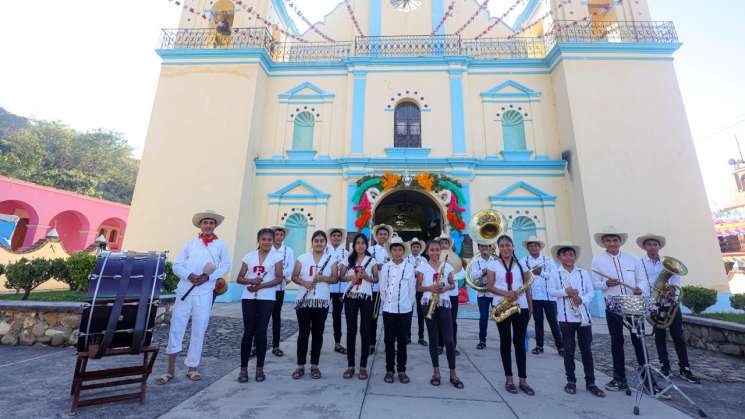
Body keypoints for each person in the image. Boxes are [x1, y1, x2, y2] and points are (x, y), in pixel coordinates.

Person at [157, 210, 230, 384]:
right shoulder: (190, 244)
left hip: (204, 292)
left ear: (215, 226)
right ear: (200, 225)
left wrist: (208, 277)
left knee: (199, 329)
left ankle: (192, 367)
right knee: (177, 327)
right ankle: (170, 369)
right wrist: (189, 275)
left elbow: (225, 265)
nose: (208, 225)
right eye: (205, 222)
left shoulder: (220, 245)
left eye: (211, 223)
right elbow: (177, 265)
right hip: (185, 291)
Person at [590, 226, 651, 393]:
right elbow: (595, 282)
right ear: (603, 243)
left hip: (633, 302)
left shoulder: (633, 259)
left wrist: (640, 288)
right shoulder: (597, 261)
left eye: (615, 240)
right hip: (613, 303)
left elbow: (643, 280)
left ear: (620, 242)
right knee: (617, 341)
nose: (612, 243)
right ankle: (619, 378)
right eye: (608, 240)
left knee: (639, 340)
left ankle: (648, 377)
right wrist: (605, 284)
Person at [636, 233, 700, 384]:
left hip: (670, 304)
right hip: (653, 302)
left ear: (659, 247)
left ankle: (685, 368)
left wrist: (672, 291)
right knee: (659, 336)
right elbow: (641, 281)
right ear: (645, 247)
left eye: (655, 244)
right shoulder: (640, 263)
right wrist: (652, 294)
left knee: (678, 336)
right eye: (649, 244)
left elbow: (676, 278)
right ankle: (665, 366)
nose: (652, 246)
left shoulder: (668, 262)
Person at [548, 241, 605, 398]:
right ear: (559, 257)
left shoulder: (582, 273)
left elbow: (591, 291)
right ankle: (571, 381)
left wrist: (583, 299)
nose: (568, 257)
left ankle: (591, 382)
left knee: (586, 350)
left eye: (571, 254)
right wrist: (565, 292)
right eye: (565, 254)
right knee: (569, 350)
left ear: (574, 256)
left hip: (583, 316)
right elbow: (551, 291)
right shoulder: (555, 273)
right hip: (565, 317)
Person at [486, 235, 535, 396]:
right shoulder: (493, 264)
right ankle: (509, 379)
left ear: (513, 247)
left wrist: (530, 307)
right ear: (498, 248)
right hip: (502, 306)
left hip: (521, 307)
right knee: (505, 342)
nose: (505, 248)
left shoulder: (522, 264)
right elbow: (490, 286)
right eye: (502, 246)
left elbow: (527, 287)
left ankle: (523, 380)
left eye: (508, 245)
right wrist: (506, 293)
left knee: (520, 343)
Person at [236, 228, 284, 383]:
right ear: (259, 240)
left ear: (273, 240)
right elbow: (239, 278)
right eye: (263, 239)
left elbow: (278, 278)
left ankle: (259, 369)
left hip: (267, 298)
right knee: (248, 331)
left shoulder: (277, 257)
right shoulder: (249, 256)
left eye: (269, 239)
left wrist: (260, 286)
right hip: (248, 297)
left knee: (262, 332)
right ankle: (243, 369)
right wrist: (251, 281)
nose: (267, 242)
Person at [416, 239, 464, 389]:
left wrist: (445, 288)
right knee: (433, 339)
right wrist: (430, 288)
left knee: (449, 340)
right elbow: (418, 288)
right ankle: (436, 372)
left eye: (437, 250)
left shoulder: (447, 266)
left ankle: (453, 373)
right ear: (427, 252)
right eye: (432, 250)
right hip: (428, 303)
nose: (435, 253)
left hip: (443, 303)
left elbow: (452, 284)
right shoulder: (422, 267)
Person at [291, 230, 337, 380]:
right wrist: (305, 283)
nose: (319, 243)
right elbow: (294, 276)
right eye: (316, 240)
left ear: (325, 243)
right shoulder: (302, 258)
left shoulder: (331, 259)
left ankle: (315, 366)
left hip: (321, 301)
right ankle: (300, 365)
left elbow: (335, 278)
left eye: (321, 241)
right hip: (304, 301)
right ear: (312, 242)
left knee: (318, 334)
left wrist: (322, 278)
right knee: (303, 333)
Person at [380, 236, 416, 384]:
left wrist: (408, 305)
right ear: (390, 251)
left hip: (405, 311)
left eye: (399, 249)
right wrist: (386, 304)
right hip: (388, 310)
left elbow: (412, 289)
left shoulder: (409, 267)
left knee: (402, 341)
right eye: (394, 249)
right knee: (389, 341)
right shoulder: (386, 267)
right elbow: (383, 287)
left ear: (403, 251)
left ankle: (401, 370)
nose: (397, 252)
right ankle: (389, 370)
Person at [342, 233, 377, 380]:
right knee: (351, 330)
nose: (360, 245)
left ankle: (363, 366)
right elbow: (340, 276)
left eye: (363, 243)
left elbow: (376, 279)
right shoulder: (348, 259)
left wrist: (366, 277)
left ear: (366, 245)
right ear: (354, 245)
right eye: (358, 243)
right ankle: (350, 365)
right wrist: (352, 277)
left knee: (365, 330)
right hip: (350, 297)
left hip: (366, 298)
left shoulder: (372, 260)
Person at [520, 236, 563, 356]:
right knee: (537, 322)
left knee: (553, 322)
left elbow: (554, 276)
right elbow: (522, 276)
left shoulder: (548, 260)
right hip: (533, 297)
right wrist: (531, 273)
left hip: (549, 296)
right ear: (528, 248)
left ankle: (560, 347)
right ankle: (539, 346)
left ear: (539, 247)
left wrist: (541, 273)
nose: (533, 248)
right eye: (531, 246)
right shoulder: (523, 261)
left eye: (535, 245)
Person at [268, 225, 294, 357]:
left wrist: (280, 273)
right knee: (262, 317)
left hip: (279, 287)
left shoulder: (288, 251)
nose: (278, 237)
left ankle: (276, 345)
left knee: (276, 317)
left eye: (281, 235)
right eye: (276, 234)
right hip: (265, 288)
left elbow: (291, 267)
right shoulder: (267, 248)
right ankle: (256, 345)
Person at [369, 224, 392, 355]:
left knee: (390, 318)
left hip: (390, 289)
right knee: (373, 317)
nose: (383, 236)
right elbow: (369, 265)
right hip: (375, 288)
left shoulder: (392, 249)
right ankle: (371, 343)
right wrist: (379, 266)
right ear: (376, 236)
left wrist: (381, 266)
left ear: (388, 236)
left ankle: (389, 344)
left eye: (385, 234)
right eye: (380, 234)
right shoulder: (371, 249)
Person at [438, 233, 463, 356]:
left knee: (452, 321)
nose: (443, 245)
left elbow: (462, 273)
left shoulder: (455, 258)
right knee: (440, 320)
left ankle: (452, 346)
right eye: (441, 243)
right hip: (441, 294)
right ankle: (439, 345)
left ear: (449, 245)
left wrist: (451, 276)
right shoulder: (436, 258)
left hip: (452, 294)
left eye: (445, 243)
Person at [326, 227, 350, 355]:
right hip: (326, 288)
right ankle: (315, 343)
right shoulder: (324, 250)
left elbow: (348, 269)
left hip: (340, 289)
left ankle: (337, 343)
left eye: (338, 236)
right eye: (334, 236)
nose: (336, 238)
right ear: (330, 238)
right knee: (321, 316)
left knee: (337, 317)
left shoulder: (346, 253)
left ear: (342, 238)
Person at [470, 243, 494, 350]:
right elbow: (473, 276)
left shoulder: (495, 260)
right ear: (479, 248)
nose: (484, 248)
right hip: (482, 293)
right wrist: (483, 271)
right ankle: (482, 341)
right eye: (482, 246)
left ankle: (504, 339)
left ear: (489, 247)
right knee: (483, 317)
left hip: (494, 293)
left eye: (486, 246)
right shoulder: (476, 262)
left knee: (500, 317)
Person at [405, 237, 427, 346]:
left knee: (421, 313)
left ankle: (421, 337)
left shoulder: (424, 260)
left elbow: (426, 274)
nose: (415, 249)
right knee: (408, 312)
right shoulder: (406, 259)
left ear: (420, 248)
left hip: (420, 289)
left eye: (417, 247)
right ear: (411, 248)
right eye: (413, 247)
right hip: (409, 289)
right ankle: (407, 336)